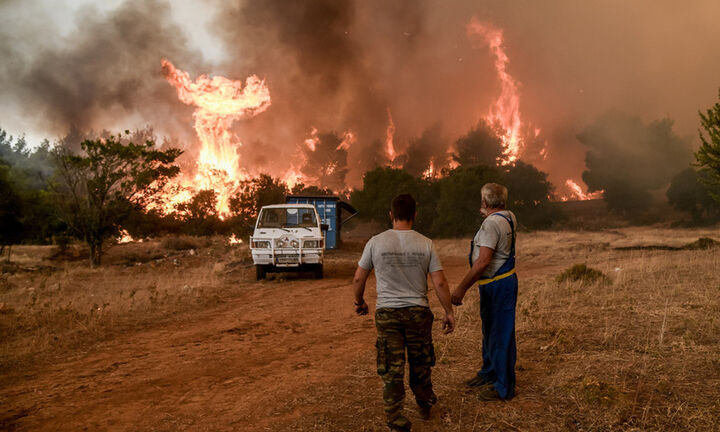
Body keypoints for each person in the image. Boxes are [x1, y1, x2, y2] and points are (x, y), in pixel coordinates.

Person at [353, 194, 455, 432]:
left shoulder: (376, 242)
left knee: (392, 366)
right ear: (414, 215)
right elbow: (439, 283)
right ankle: (424, 403)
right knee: (420, 362)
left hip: (388, 313)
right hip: (418, 313)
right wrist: (448, 311)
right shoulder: (425, 243)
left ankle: (396, 418)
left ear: (391, 214)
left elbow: (359, 277)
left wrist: (359, 302)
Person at [451, 183, 518, 401]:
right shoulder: (509, 216)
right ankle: (489, 372)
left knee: (500, 333)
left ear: (485, 202)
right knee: (491, 330)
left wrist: (461, 288)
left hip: (497, 284)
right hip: (501, 282)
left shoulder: (491, 224)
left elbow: (482, 262)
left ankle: (503, 387)